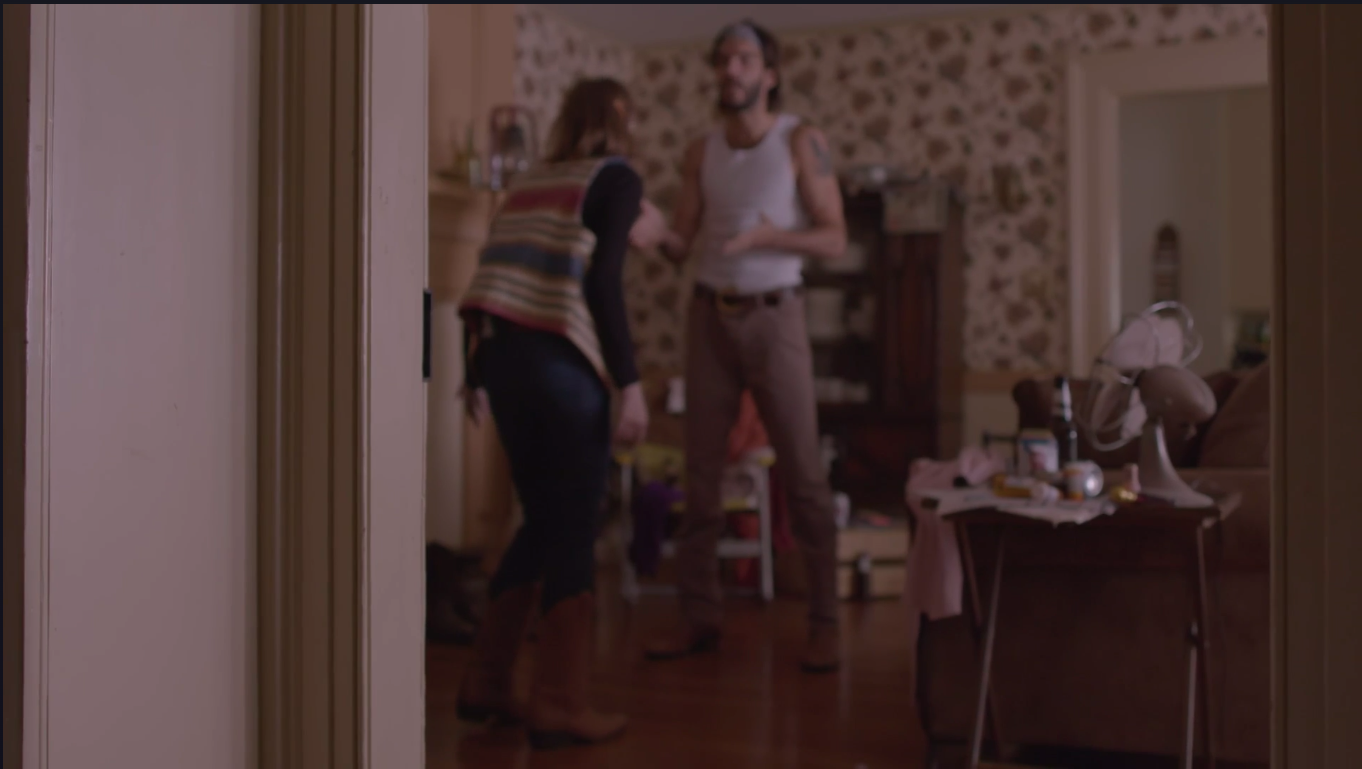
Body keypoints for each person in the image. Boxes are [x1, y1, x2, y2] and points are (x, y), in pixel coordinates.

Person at [454, 77, 669, 750]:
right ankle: (559, 702)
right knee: (574, 523)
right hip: (561, 364)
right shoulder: (616, 177)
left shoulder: (529, 183)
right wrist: (631, 384)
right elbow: (602, 282)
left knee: (544, 518)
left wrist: (471, 370)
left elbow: (493, 274)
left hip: (501, 359)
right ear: (621, 118)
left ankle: (488, 681)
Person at [643, 19, 848, 674]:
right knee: (700, 475)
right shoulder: (700, 150)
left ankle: (825, 623)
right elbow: (682, 244)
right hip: (708, 317)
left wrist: (769, 238)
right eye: (723, 59)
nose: (730, 69)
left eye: (744, 59)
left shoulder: (800, 140)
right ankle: (698, 618)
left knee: (804, 472)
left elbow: (835, 237)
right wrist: (653, 233)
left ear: (770, 74)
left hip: (775, 318)